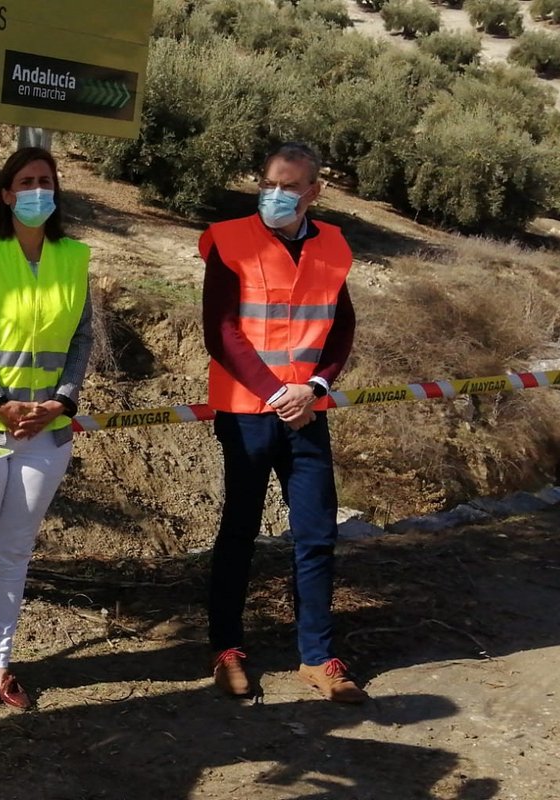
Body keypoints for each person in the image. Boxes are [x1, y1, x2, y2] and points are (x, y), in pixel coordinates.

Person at [200, 142, 364, 703]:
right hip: (248, 413)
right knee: (239, 533)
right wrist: (277, 393)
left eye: (290, 185)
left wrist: (315, 388)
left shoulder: (334, 247)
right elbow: (221, 333)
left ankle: (318, 657)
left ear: (314, 192)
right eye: (270, 182)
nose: (277, 193)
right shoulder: (229, 240)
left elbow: (340, 329)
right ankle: (226, 649)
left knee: (317, 535)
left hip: (306, 413)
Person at [0, 148, 93, 717]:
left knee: (15, 551)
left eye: (45, 182)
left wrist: (62, 401)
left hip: (46, 431)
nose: (36, 191)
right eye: (25, 182)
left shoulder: (75, 257)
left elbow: (81, 339)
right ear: (5, 193)